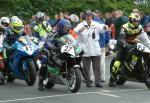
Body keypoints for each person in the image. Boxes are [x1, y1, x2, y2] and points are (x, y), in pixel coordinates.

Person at [108, 13, 150, 87]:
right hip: (122, 45)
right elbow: (121, 38)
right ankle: (112, 79)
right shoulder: (125, 27)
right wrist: (127, 46)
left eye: (138, 21)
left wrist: (149, 46)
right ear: (130, 20)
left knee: (143, 52)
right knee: (118, 61)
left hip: (132, 44)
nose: (136, 23)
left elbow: (145, 39)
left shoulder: (140, 27)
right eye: (135, 21)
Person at [74, 10, 109, 87]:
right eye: (87, 16)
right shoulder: (81, 24)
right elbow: (75, 31)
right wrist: (80, 30)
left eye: (89, 16)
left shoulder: (95, 24)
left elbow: (102, 28)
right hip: (85, 49)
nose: (88, 17)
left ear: (91, 17)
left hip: (95, 49)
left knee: (97, 67)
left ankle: (98, 82)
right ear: (85, 17)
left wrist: (105, 27)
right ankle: (88, 81)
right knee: (86, 68)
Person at [33, 11, 53, 91]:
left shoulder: (46, 23)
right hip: (40, 44)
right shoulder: (35, 25)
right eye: (39, 19)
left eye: (41, 18)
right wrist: (41, 24)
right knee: (44, 63)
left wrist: (44, 24)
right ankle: (40, 83)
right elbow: (37, 30)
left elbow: (50, 30)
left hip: (49, 43)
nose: (40, 20)